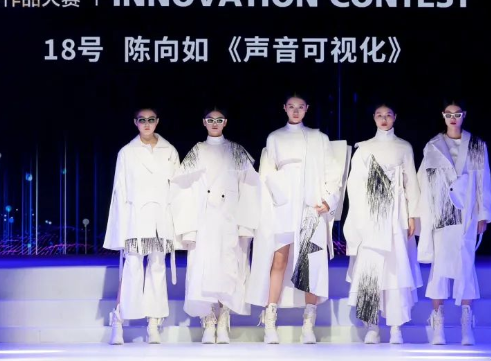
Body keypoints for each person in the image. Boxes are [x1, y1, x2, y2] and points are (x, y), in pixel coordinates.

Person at [246, 93, 347, 344]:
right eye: (291, 107)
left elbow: (333, 172)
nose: (295, 111)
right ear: (284, 108)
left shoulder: (318, 138)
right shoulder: (275, 138)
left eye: (300, 107)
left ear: (307, 109)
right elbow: (266, 174)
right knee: (279, 259)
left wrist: (328, 199)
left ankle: (308, 324)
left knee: (311, 261)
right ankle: (270, 320)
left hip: (311, 205)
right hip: (282, 205)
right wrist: (276, 198)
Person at [170, 108, 261, 344]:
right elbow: (183, 188)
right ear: (204, 122)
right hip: (204, 220)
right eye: (210, 120)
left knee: (229, 269)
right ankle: (208, 319)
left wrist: (246, 225)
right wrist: (188, 228)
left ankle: (224, 319)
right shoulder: (197, 151)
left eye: (219, 120)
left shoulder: (237, 151)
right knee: (204, 269)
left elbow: (250, 188)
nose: (214, 123)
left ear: (225, 122)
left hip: (230, 220)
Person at [344, 103, 422, 344]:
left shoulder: (404, 147)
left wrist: (412, 215)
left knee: (396, 268)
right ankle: (372, 326)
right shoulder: (365, 148)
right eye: (379, 115)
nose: (384, 119)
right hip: (370, 216)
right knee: (370, 268)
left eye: (388, 115)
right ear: (374, 118)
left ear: (395, 117)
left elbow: (411, 183)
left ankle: (396, 326)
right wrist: (359, 218)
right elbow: (354, 185)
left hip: (396, 216)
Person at [417, 100, 491, 345]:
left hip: (466, 212)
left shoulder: (476, 145)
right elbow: (423, 182)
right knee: (439, 266)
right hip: (441, 213)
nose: (453, 118)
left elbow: (483, 180)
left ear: (464, 115)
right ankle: (438, 323)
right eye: (448, 114)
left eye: (457, 114)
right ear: (443, 116)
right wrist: (421, 215)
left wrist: (483, 213)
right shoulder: (433, 145)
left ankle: (466, 324)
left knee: (465, 265)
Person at [103, 108, 180, 345]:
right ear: (135, 122)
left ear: (157, 122)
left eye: (151, 120)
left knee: (157, 268)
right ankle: (119, 320)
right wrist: (121, 229)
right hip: (135, 218)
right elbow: (120, 191)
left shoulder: (169, 151)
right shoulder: (127, 152)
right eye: (142, 120)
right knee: (132, 267)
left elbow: (177, 189)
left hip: (160, 219)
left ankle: (153, 322)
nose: (147, 124)